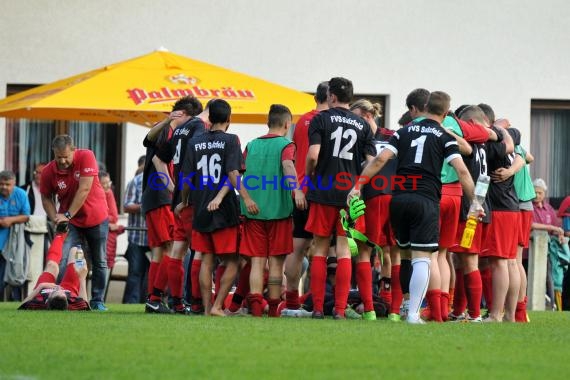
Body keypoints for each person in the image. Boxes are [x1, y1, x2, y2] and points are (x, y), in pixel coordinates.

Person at [348, 91, 476, 324]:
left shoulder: (403, 131)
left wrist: (357, 186)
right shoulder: (444, 136)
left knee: (404, 255)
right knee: (421, 258)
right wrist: (476, 201)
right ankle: (413, 313)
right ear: (446, 113)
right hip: (425, 200)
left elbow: (379, 160)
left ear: (424, 107)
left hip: (399, 201)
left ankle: (404, 305)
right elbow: (463, 170)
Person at [178, 98, 258, 316]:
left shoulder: (195, 142)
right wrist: (247, 198)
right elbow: (233, 173)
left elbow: (186, 178)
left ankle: (205, 308)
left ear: (210, 118)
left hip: (201, 206)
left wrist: (184, 202)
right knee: (233, 260)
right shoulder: (232, 140)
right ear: (229, 119)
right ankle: (217, 306)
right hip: (224, 209)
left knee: (206, 258)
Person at [305, 77, 376, 319]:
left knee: (320, 249)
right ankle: (339, 310)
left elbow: (313, 155)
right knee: (345, 250)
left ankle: (316, 308)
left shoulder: (320, 119)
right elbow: (371, 162)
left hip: (323, 190)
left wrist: (308, 176)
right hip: (349, 194)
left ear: (331, 96)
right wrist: (358, 185)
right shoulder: (362, 124)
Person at [240, 104, 305, 317]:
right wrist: (296, 189)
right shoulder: (287, 145)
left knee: (257, 261)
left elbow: (239, 173)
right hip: (279, 212)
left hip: (253, 212)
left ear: (268, 123)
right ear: (287, 124)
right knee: (276, 262)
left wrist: (247, 198)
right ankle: (274, 310)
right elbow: (287, 166)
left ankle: (256, 308)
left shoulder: (251, 145)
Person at [142, 96, 200, 313]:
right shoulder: (172, 129)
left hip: (154, 196)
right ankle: (161, 299)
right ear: (184, 115)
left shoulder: (174, 130)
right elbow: (153, 147)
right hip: (161, 197)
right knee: (171, 248)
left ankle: (153, 298)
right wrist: (173, 189)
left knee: (160, 251)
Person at [40, 135, 109, 311]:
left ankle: (97, 300)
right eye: (58, 157)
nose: (62, 161)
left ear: (74, 150)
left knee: (99, 260)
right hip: (71, 223)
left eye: (66, 156)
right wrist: (55, 216)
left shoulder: (86, 156)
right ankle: (66, 295)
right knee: (66, 259)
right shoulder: (48, 171)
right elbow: (46, 197)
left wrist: (67, 214)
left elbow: (84, 188)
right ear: (53, 154)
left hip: (96, 218)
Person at [282, 81, 328, 317]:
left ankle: (292, 301)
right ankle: (327, 303)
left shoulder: (301, 122)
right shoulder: (331, 121)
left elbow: (298, 153)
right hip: (325, 191)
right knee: (331, 250)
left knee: (297, 248)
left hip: (300, 189)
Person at [349, 98, 396, 321]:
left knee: (366, 252)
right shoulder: (394, 135)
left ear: (368, 116)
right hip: (395, 196)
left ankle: (373, 307)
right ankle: (389, 308)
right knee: (392, 252)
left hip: (377, 197)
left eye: (357, 118)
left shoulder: (365, 140)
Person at [19, 230, 90, 311]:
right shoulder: (73, 304)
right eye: (62, 292)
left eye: (55, 291)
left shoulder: (39, 303)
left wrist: (40, 287)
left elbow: (21, 306)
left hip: (44, 288)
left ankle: (60, 234)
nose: (59, 288)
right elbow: (85, 306)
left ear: (48, 298)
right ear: (67, 299)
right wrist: (82, 278)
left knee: (52, 266)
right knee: (75, 250)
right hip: (70, 288)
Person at [123, 156, 150, 304]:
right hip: (137, 236)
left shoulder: (164, 179)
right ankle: (131, 304)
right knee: (135, 273)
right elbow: (126, 206)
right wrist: (146, 206)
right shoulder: (136, 181)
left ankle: (150, 302)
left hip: (155, 237)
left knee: (154, 274)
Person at [21, 163, 51, 296]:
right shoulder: (25, 189)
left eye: (42, 173)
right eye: (36, 173)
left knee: (48, 262)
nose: (39, 176)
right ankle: (26, 293)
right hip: (28, 230)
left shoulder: (52, 190)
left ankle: (44, 292)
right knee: (28, 264)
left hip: (48, 230)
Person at [0, 170, 31, 300]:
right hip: (1, 241)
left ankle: (16, 302)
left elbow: (26, 216)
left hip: (15, 240)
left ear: (14, 184)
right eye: (1, 184)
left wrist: (10, 220)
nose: (4, 187)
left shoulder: (21, 194)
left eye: (7, 184)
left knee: (16, 271)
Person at [99, 171, 125, 273]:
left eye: (108, 182)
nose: (107, 186)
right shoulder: (92, 193)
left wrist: (103, 220)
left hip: (105, 236)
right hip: (95, 234)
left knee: (103, 266)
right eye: (103, 183)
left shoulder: (108, 193)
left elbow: (114, 217)